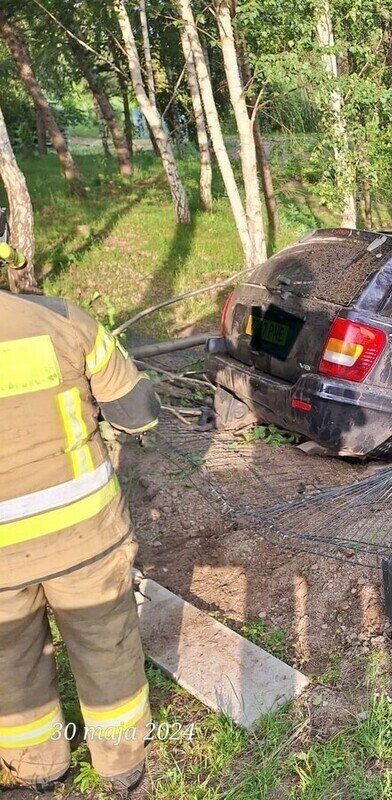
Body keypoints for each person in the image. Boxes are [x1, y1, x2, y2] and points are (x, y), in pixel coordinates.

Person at [0, 239, 161, 795]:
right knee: (106, 645)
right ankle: (123, 767)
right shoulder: (65, 321)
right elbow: (138, 415)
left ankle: (38, 771)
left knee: (10, 665)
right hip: (85, 538)